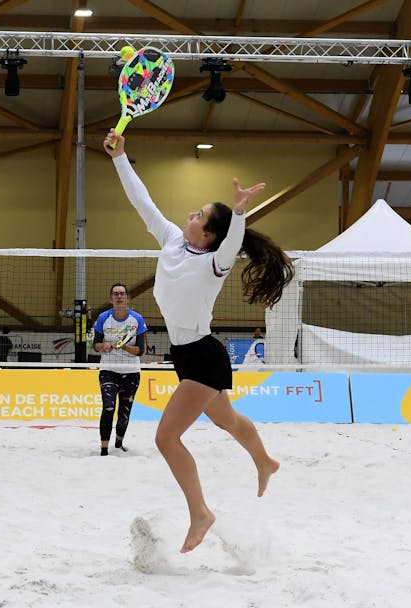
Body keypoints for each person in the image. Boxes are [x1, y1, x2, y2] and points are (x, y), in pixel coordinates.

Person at [105, 131, 293, 554]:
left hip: (205, 357)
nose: (189, 215)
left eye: (198, 214)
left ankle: (200, 513)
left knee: (166, 439)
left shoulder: (215, 262)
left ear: (208, 235)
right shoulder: (172, 240)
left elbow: (232, 241)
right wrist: (120, 157)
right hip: (186, 355)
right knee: (226, 420)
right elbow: (142, 201)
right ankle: (264, 461)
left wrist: (240, 211)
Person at [91, 283, 147, 456]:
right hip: (109, 369)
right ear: (111, 299)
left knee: (124, 411)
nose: (119, 296)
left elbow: (141, 350)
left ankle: (119, 443)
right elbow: (95, 346)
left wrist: (124, 347)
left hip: (131, 371)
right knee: (108, 407)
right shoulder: (103, 318)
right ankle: (104, 449)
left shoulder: (136, 319)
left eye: (122, 293)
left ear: (127, 298)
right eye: (116, 294)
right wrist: (105, 346)